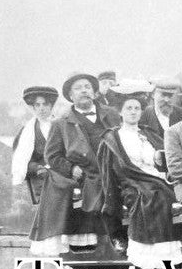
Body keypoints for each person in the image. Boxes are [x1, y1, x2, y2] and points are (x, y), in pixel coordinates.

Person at [29, 72, 120, 255]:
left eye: (87, 87)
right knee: (95, 193)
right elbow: (52, 156)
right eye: (78, 88)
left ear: (94, 92)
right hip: (86, 174)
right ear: (70, 96)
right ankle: (102, 243)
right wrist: (72, 168)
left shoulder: (112, 114)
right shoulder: (61, 123)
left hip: (115, 170)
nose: (84, 91)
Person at [97, 93, 182, 269]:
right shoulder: (113, 138)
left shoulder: (148, 133)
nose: (133, 112)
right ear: (120, 112)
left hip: (158, 178)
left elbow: (166, 159)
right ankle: (156, 255)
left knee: (178, 194)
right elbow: (113, 170)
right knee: (155, 196)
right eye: (129, 108)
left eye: (137, 108)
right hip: (131, 182)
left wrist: (159, 158)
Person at [10, 85, 57, 193]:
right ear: (33, 107)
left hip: (65, 178)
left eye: (45, 104)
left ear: (51, 105)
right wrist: (37, 168)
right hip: (41, 182)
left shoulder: (62, 125)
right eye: (37, 105)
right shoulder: (26, 132)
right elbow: (21, 160)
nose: (41, 108)